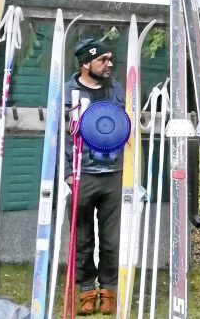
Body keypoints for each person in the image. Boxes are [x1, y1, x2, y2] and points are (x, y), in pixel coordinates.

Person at [64, 38, 125, 315]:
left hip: (113, 174)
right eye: (103, 59)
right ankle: (87, 290)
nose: (109, 64)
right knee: (83, 238)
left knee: (111, 240)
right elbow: (59, 134)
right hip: (81, 173)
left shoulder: (116, 90)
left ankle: (109, 290)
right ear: (86, 63)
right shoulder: (69, 92)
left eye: (110, 59)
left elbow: (125, 127)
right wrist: (66, 172)